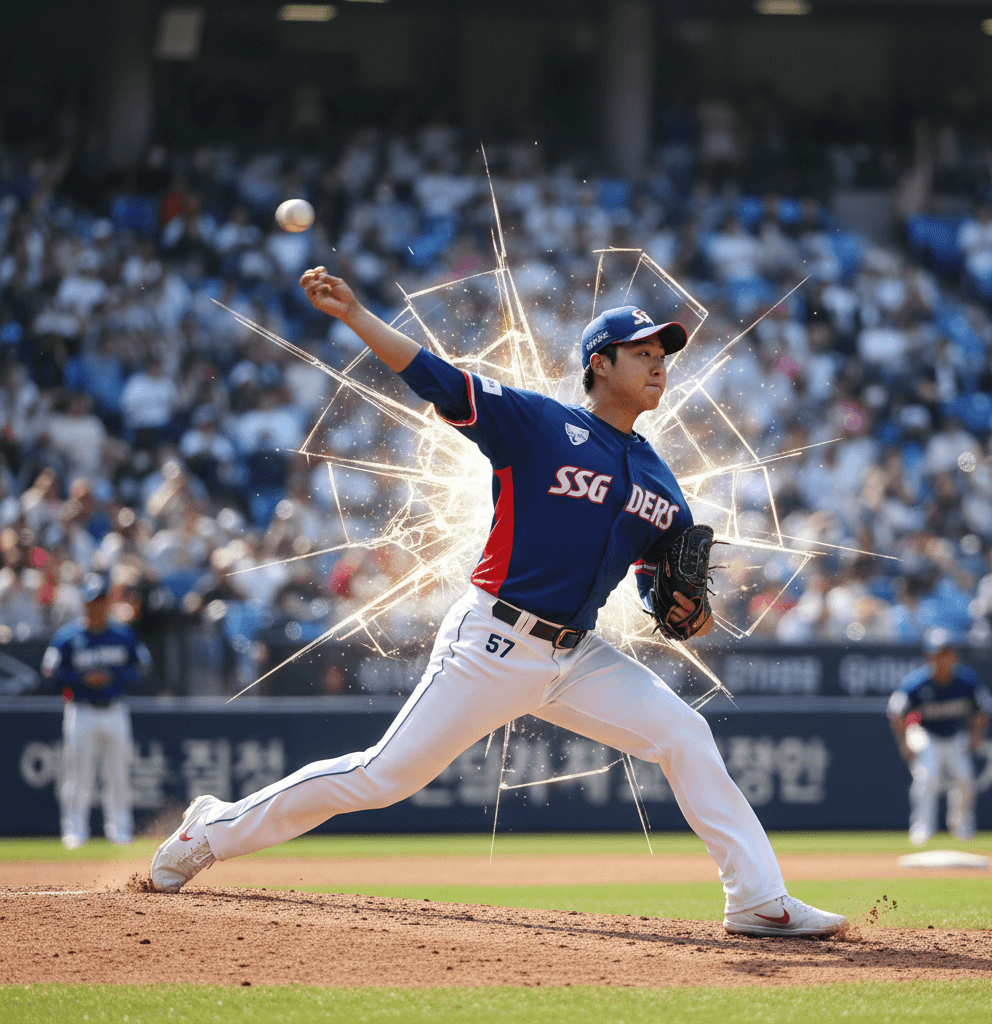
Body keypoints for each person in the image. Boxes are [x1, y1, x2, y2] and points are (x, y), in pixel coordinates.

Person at [150, 266, 848, 938]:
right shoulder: (538, 426)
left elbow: (657, 588)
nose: (659, 362)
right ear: (600, 363)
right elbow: (438, 379)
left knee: (685, 734)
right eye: (642, 351)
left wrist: (685, 612)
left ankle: (757, 900)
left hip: (575, 655)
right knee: (383, 775)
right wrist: (356, 315)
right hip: (493, 641)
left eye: (663, 351)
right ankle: (209, 829)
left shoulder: (662, 483)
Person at [41, 572, 153, 848]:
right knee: (78, 774)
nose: (97, 606)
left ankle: (120, 830)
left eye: (101, 601)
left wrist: (113, 676)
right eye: (92, 601)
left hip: (115, 710)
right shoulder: (68, 637)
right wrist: (82, 679)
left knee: (118, 774)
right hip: (81, 710)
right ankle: (75, 831)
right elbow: (48, 671)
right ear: (84, 604)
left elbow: (144, 668)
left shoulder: (122, 634)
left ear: (108, 603)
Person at [887, 628, 991, 845]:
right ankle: (922, 828)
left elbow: (982, 709)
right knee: (927, 776)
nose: (942, 658)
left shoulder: (966, 681)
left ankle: (961, 825)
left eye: (946, 653)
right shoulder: (916, 683)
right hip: (927, 734)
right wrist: (904, 742)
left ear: (954, 656)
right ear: (929, 656)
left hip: (955, 736)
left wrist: (976, 736)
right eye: (937, 654)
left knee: (964, 778)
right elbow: (895, 711)